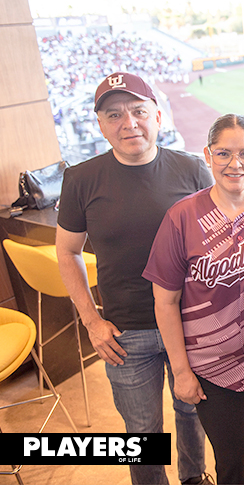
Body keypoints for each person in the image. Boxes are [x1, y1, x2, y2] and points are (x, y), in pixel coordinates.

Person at [56, 72, 213, 485]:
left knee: (193, 414)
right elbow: (67, 251)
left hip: (191, 325)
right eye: (114, 115)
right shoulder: (81, 179)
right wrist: (92, 321)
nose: (129, 124)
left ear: (157, 116)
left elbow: (223, 237)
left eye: (138, 111)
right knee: (142, 433)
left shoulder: (193, 169)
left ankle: (194, 478)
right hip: (127, 332)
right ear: (101, 124)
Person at [143, 114, 244, 484]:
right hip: (212, 367)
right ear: (207, 155)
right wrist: (181, 373)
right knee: (233, 463)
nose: (235, 164)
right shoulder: (182, 218)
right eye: (223, 153)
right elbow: (165, 302)